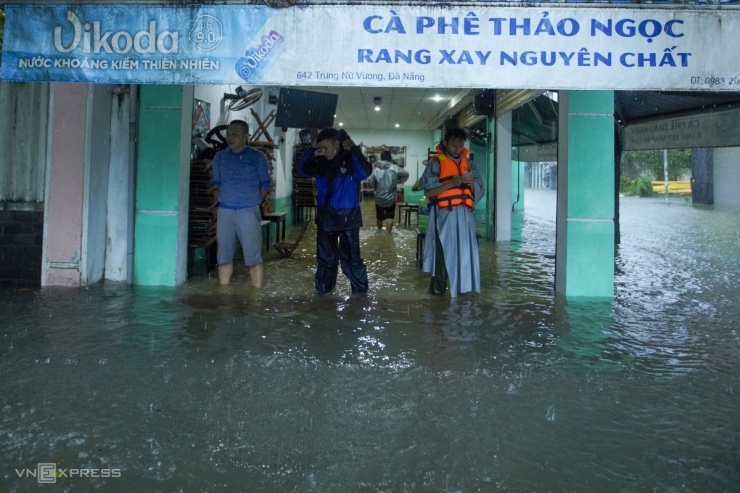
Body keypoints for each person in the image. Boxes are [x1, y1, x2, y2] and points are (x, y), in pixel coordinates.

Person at [298, 128, 372, 293]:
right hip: (326, 216)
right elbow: (302, 169)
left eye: (326, 147)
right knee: (325, 258)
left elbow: (365, 172)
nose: (323, 152)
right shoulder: (319, 163)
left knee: (352, 258)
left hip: (348, 217)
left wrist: (354, 149)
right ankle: (323, 293)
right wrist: (311, 148)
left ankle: (359, 295)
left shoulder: (350, 160)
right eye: (320, 149)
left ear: (337, 144)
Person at [418, 127, 485, 297]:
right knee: (442, 253)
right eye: (454, 145)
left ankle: (463, 291)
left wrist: (471, 183)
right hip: (444, 215)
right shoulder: (436, 163)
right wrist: (450, 184)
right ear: (446, 143)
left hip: (465, 216)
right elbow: (428, 192)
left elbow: (480, 189)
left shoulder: (469, 164)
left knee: (465, 251)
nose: (457, 149)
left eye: (461, 145)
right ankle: (437, 293)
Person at [212, 120, 271, 287]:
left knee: (253, 257)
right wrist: (224, 199)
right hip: (225, 211)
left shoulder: (257, 157)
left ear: (246, 136)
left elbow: (265, 185)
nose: (230, 137)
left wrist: (252, 200)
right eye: (228, 133)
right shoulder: (220, 157)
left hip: (248, 211)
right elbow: (217, 185)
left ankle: (257, 295)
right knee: (224, 255)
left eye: (235, 134)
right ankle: (224, 294)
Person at [364, 150, 409, 233]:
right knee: (390, 217)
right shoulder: (395, 168)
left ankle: (379, 232)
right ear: (390, 158)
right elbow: (406, 174)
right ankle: (388, 234)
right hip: (391, 197)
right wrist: (399, 179)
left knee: (379, 217)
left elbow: (370, 181)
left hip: (379, 197)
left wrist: (375, 186)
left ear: (381, 158)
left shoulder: (376, 170)